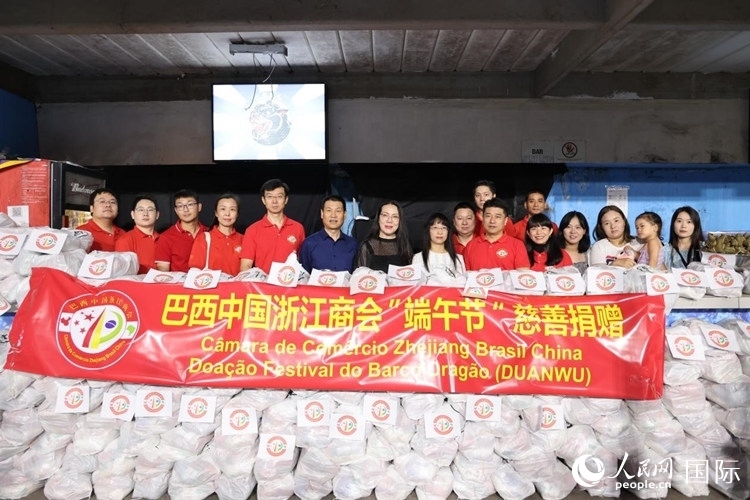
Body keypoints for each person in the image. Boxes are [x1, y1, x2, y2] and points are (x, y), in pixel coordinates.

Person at [240, 178, 305, 274]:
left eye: (279, 196)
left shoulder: (297, 228)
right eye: (270, 196)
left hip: (289, 281)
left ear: (286, 200)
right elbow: (246, 266)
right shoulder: (252, 230)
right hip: (262, 283)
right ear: (263, 200)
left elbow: (302, 261)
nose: (274, 201)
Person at [463, 198, 530, 271]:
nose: (492, 221)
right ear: (483, 218)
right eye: (488, 216)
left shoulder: (517, 245)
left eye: (497, 217)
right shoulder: (470, 246)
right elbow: (467, 275)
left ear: (505, 221)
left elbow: (522, 275)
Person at [299, 194, 358, 273]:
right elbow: (303, 275)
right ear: (322, 213)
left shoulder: (353, 244)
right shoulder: (309, 243)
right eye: (329, 210)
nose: (333, 215)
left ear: (345, 215)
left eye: (338, 211)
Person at [188, 193, 243, 275]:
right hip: (212, 283)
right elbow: (195, 270)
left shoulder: (244, 239)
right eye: (223, 209)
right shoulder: (204, 238)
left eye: (232, 209)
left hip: (237, 283)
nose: (227, 214)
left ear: (237, 214)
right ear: (216, 213)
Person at [154, 189, 208, 272]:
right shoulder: (166, 237)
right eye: (180, 206)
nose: (185, 210)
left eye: (190, 204)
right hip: (178, 280)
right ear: (176, 210)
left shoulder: (209, 233)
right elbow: (163, 270)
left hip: (206, 279)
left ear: (199, 207)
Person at [356, 200, 413, 272]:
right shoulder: (367, 246)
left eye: (395, 216)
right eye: (385, 215)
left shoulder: (405, 244)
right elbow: (360, 276)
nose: (389, 220)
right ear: (378, 218)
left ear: (400, 220)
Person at [412, 212, 466, 286]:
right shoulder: (418, 258)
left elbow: (463, 285)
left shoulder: (458, 259)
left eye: (444, 228)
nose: (440, 232)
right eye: (435, 227)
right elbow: (415, 286)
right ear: (428, 230)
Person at [114, 194, 160, 274]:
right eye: (141, 210)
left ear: (157, 215)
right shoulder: (125, 240)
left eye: (150, 210)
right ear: (133, 214)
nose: (145, 213)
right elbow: (123, 273)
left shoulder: (164, 239)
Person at [557, 210, 591, 275]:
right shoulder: (554, 253)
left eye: (577, 227)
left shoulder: (589, 253)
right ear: (562, 230)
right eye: (568, 227)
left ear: (584, 231)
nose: (573, 231)